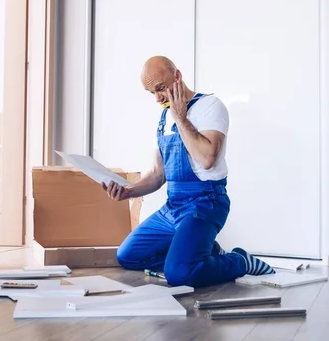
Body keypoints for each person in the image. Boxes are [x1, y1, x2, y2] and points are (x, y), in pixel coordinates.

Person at [101, 56, 274, 287]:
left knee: (178, 274)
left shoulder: (210, 107)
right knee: (128, 256)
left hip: (205, 203)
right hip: (174, 207)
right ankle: (201, 254)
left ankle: (239, 261)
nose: (157, 98)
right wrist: (127, 191)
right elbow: (157, 174)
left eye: (160, 88)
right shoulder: (164, 117)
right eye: (151, 92)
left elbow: (207, 159)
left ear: (177, 76)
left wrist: (180, 118)